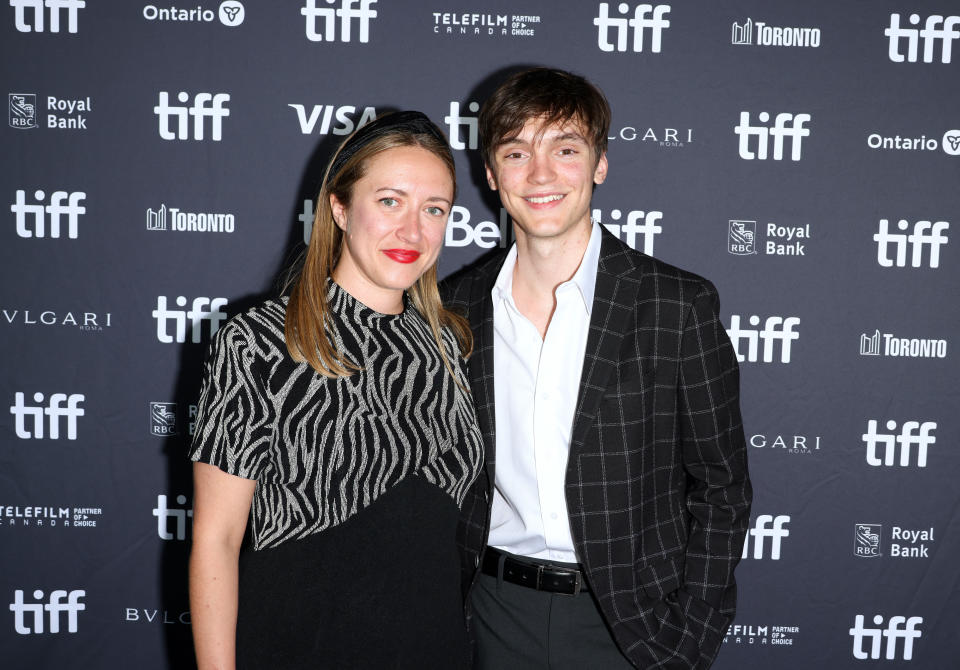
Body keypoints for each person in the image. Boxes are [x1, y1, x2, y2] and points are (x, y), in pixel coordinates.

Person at [443, 68, 752, 669]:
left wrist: (690, 638)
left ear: (599, 163)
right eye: (515, 152)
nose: (540, 174)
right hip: (492, 615)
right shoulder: (453, 309)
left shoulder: (676, 306)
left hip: (634, 626)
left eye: (565, 149)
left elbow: (723, 488)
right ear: (490, 174)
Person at [188, 111, 483, 670]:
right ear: (340, 207)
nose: (413, 232)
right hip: (297, 647)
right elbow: (217, 541)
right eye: (390, 201)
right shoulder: (259, 342)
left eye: (434, 210)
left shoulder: (451, 345)